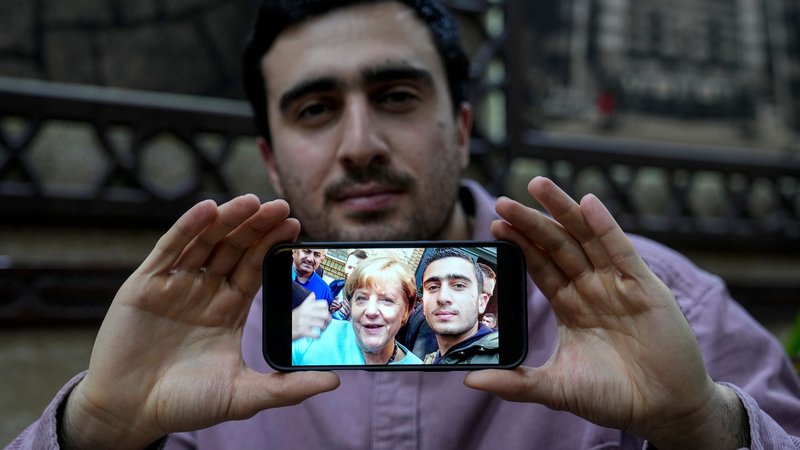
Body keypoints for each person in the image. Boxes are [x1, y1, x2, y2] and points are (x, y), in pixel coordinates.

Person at [9, 1, 800, 449]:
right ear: (271, 157)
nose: (360, 145)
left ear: (460, 126)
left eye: (395, 97)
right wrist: (95, 432)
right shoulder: (198, 335)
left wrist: (704, 426)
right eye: (316, 110)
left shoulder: (664, 306)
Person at [293, 256, 422, 365]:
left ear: (406, 312)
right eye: (362, 298)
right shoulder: (314, 336)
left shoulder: (420, 374)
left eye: (386, 300)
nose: (371, 311)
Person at [417, 248, 497, 364]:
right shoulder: (432, 359)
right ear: (423, 303)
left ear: (482, 301)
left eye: (459, 285)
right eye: (433, 287)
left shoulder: (500, 359)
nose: (442, 297)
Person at [327, 249, 368, 319]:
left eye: (356, 270)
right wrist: (329, 309)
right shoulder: (334, 285)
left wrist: (350, 316)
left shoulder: (367, 297)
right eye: (349, 267)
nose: (351, 272)